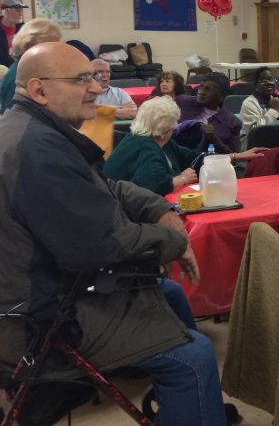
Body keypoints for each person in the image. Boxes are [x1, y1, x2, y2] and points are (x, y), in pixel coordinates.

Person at [0, 42, 229, 426]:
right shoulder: (41, 150)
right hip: (38, 316)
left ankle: (192, 406)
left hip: (44, 289)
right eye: (81, 79)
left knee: (169, 293)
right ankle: (191, 392)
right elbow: (103, 245)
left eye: (93, 77)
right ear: (39, 89)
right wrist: (175, 241)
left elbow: (105, 189)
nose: (95, 88)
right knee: (195, 358)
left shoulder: (31, 131)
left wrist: (157, 208)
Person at [105, 96, 265, 196]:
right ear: (165, 126)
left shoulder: (159, 142)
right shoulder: (145, 146)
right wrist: (183, 178)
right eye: (174, 121)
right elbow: (155, 185)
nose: (176, 126)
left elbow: (197, 158)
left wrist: (238, 156)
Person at [0, 18, 61, 113]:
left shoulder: (29, 68)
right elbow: (15, 118)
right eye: (53, 46)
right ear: (32, 46)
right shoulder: (18, 77)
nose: (57, 52)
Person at [175, 71, 241, 154]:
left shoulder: (232, 122)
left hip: (211, 162)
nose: (201, 92)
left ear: (222, 96)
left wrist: (214, 138)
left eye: (208, 89)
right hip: (179, 158)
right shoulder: (183, 102)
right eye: (201, 86)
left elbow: (235, 155)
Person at [238, 67, 279, 149]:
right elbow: (255, 135)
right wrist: (273, 110)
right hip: (258, 150)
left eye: (270, 79)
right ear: (256, 84)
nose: (268, 82)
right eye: (263, 80)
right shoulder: (250, 103)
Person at [0, 0, 26, 68]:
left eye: (21, 9)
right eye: (18, 9)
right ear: (8, 10)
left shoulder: (24, 28)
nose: (21, 13)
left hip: (20, 70)